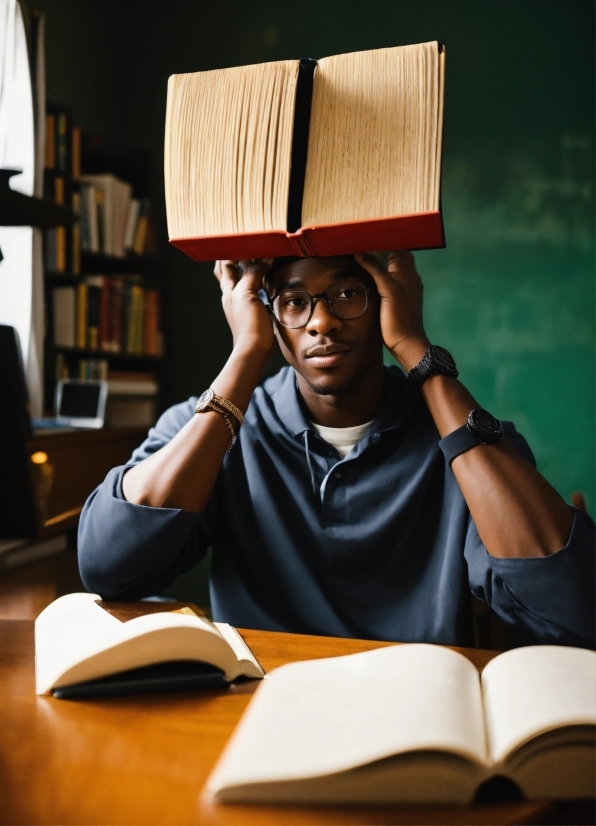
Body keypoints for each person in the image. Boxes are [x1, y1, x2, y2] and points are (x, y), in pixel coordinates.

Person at [78, 252, 595, 648]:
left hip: (422, 713)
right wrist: (244, 356)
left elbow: (577, 608)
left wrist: (418, 352)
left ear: (387, 299)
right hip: (263, 707)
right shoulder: (215, 430)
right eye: (294, 301)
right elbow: (107, 565)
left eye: (348, 294)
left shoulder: (466, 444)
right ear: (270, 313)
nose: (320, 322)